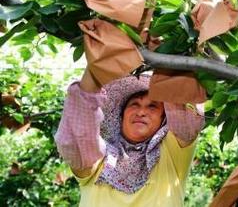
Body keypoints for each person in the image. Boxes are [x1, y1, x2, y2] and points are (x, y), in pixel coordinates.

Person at [54, 65, 205, 207]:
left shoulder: (171, 152)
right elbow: (77, 138)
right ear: (121, 115)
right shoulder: (101, 157)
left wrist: (167, 55)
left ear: (163, 119)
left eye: (152, 106)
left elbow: (185, 118)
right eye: (134, 104)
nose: (141, 112)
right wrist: (94, 70)